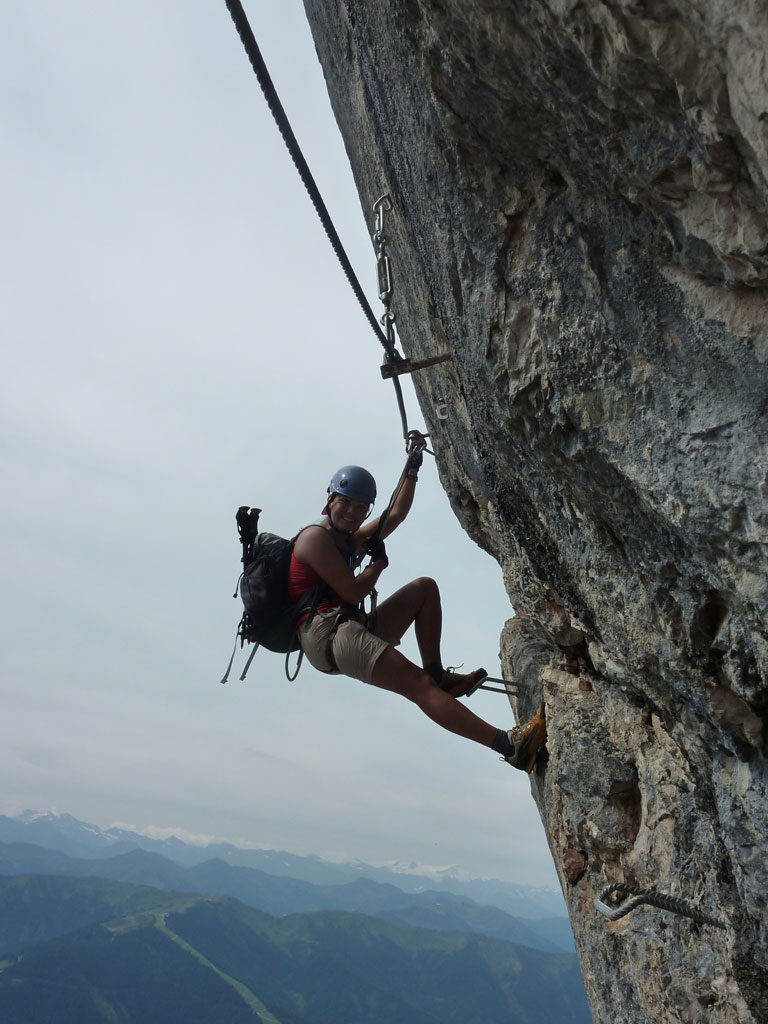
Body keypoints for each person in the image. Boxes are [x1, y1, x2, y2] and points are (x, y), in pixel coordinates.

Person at [289, 456, 547, 773]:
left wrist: (412, 470)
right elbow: (352, 592)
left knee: (424, 589)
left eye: (360, 507)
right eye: (346, 503)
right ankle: (512, 747)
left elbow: (395, 514)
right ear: (330, 500)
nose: (352, 512)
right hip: (327, 636)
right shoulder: (314, 539)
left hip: (346, 625)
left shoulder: (349, 541)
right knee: (417, 685)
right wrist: (377, 565)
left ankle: (439, 676)